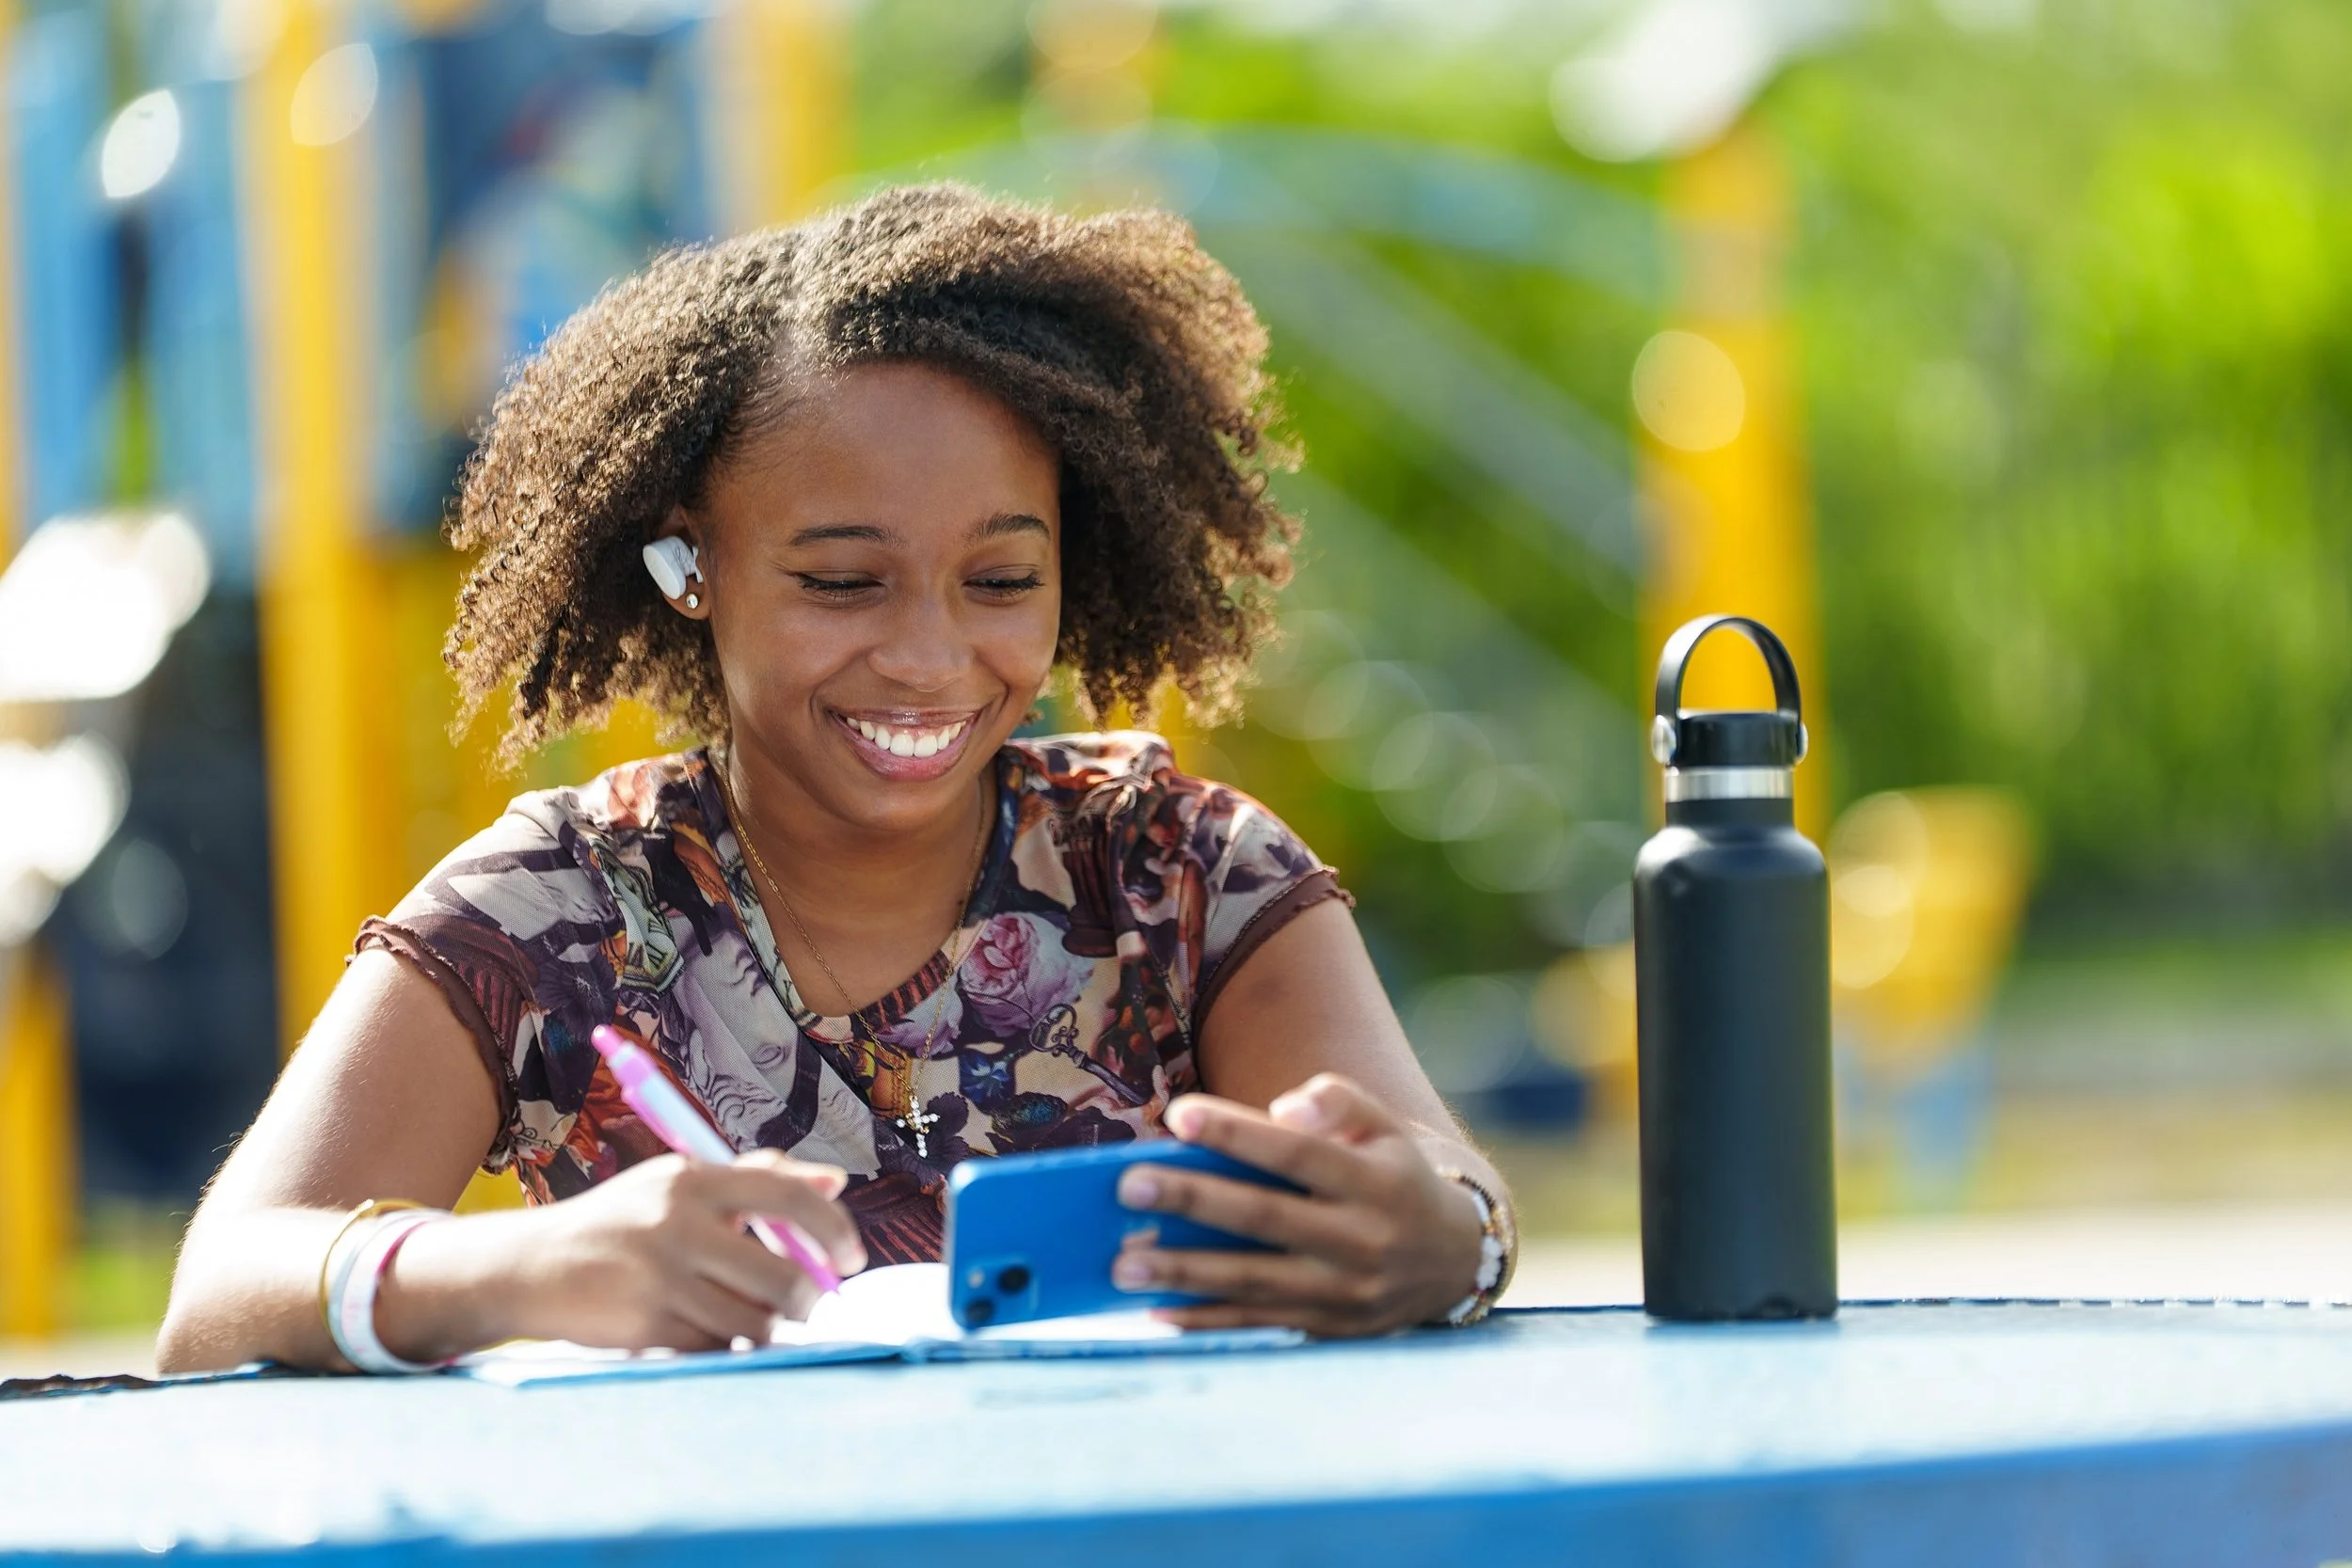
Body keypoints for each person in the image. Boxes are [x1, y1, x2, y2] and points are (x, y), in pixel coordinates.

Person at [158, 184, 1516, 1373]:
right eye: (842, 581)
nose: (929, 656)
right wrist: (520, 1271)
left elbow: (1445, 1182)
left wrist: (1439, 1236)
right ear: (692, 567)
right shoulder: (559, 906)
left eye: (999, 580)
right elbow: (217, 1296)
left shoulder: (1180, 871)